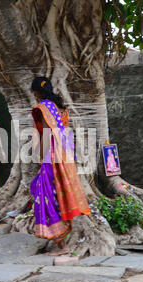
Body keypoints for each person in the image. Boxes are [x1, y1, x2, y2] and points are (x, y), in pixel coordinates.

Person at [30, 76, 91, 256]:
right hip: (66, 157)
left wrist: (40, 156)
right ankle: (62, 241)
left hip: (52, 160)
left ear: (35, 93)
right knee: (57, 197)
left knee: (46, 197)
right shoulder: (61, 108)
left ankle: (62, 245)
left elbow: (48, 135)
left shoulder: (43, 108)